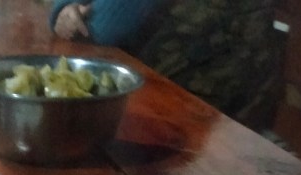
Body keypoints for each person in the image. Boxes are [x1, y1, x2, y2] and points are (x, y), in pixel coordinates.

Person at [49, 0, 283, 132]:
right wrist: (66, 7)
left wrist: (76, 14)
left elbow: (103, 28)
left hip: (214, 121)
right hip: (162, 101)